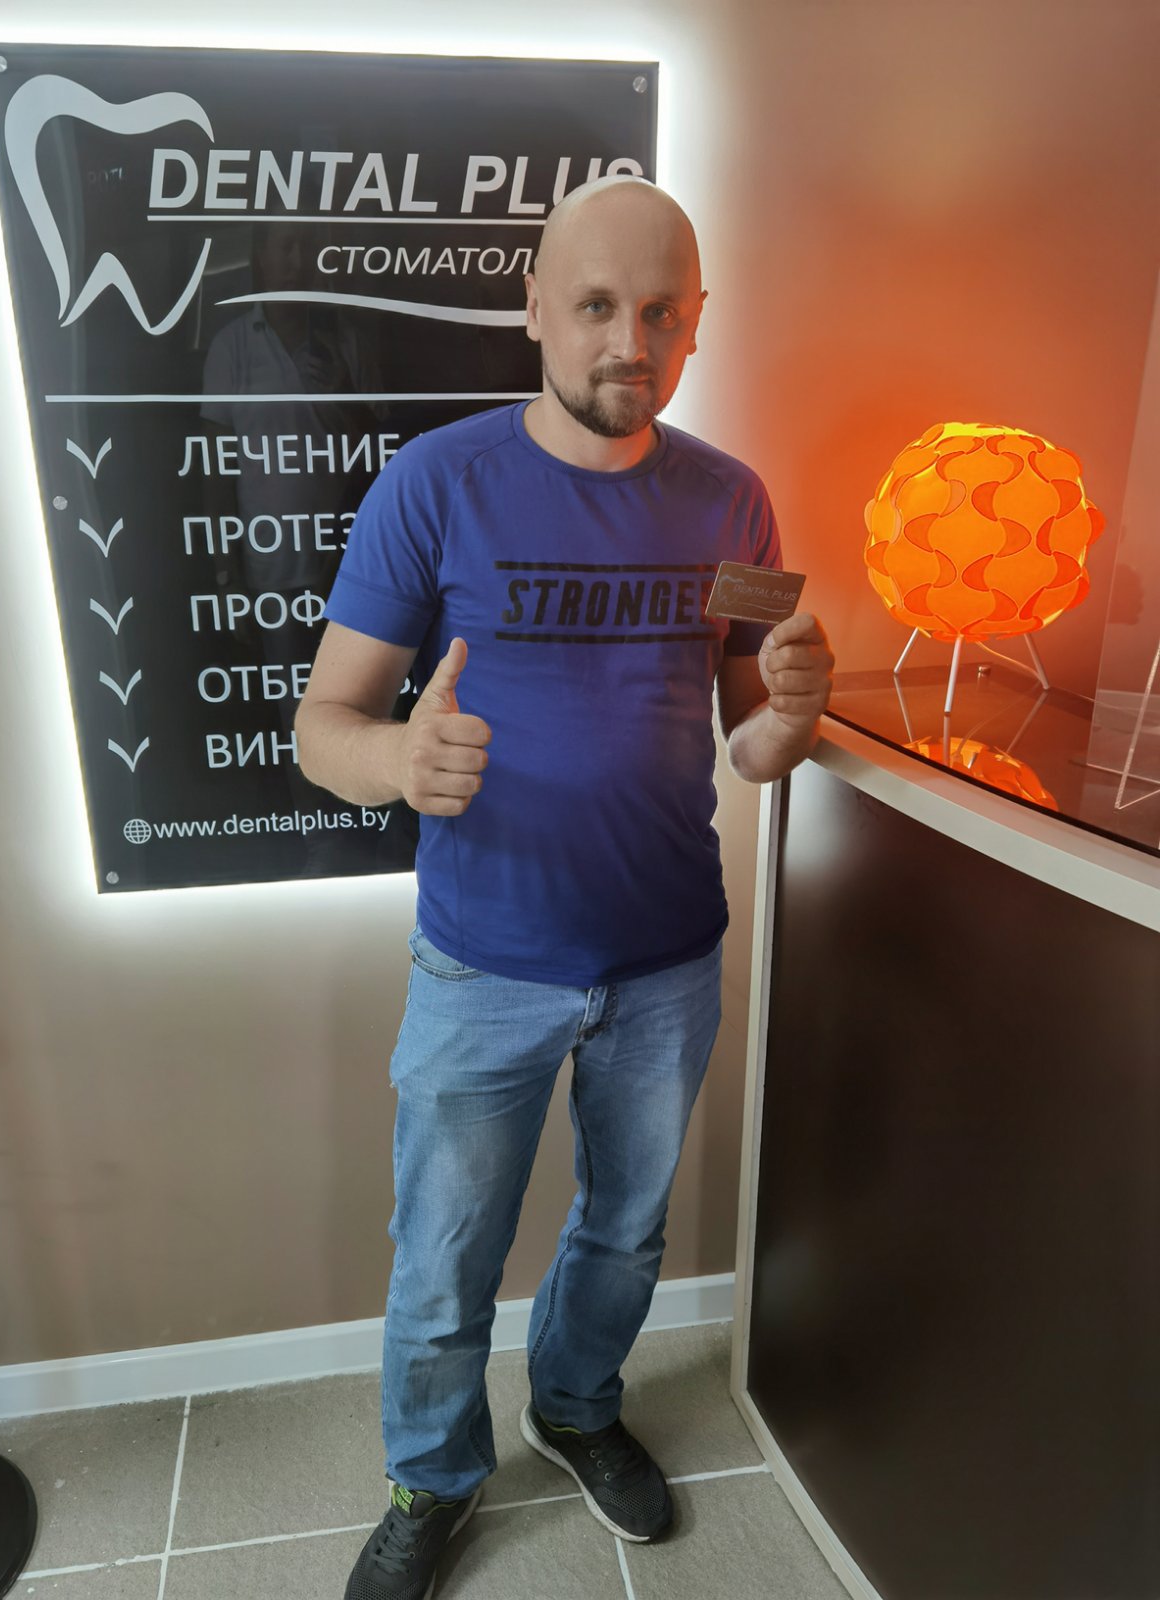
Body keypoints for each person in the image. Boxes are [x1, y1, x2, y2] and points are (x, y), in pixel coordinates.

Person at [295, 176, 834, 1600]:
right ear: (534, 307)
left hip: (667, 962)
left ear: (698, 321)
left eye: (661, 312)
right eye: (596, 305)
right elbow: (322, 726)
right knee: (445, 1258)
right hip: (483, 962)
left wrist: (793, 714)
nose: (627, 343)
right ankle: (432, 1478)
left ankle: (577, 1408)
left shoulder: (732, 498)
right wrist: (398, 759)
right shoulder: (436, 484)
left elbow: (750, 741)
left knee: (624, 1230)